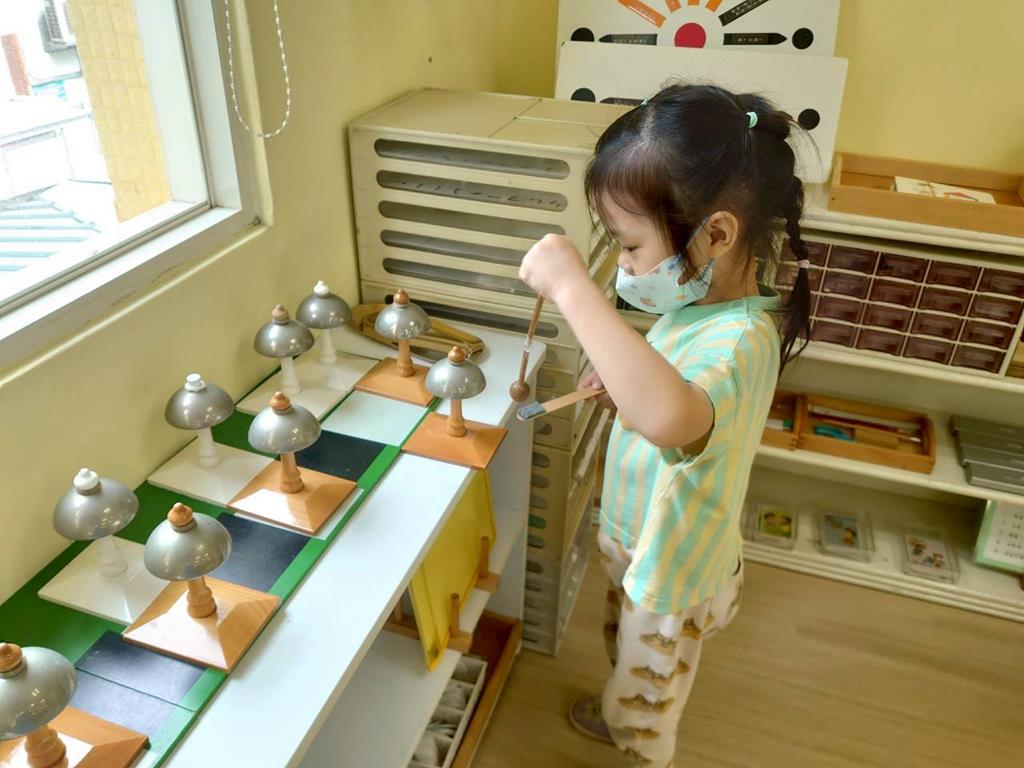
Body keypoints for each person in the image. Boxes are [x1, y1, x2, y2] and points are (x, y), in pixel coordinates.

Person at [517, 83, 813, 767]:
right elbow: (667, 398)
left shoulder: (738, 342)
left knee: (650, 697)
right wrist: (625, 389)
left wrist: (572, 288)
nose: (623, 265)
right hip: (645, 541)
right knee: (627, 653)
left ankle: (638, 745)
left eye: (628, 245)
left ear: (716, 234)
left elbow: (672, 416)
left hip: (677, 564)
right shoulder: (697, 310)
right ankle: (622, 710)